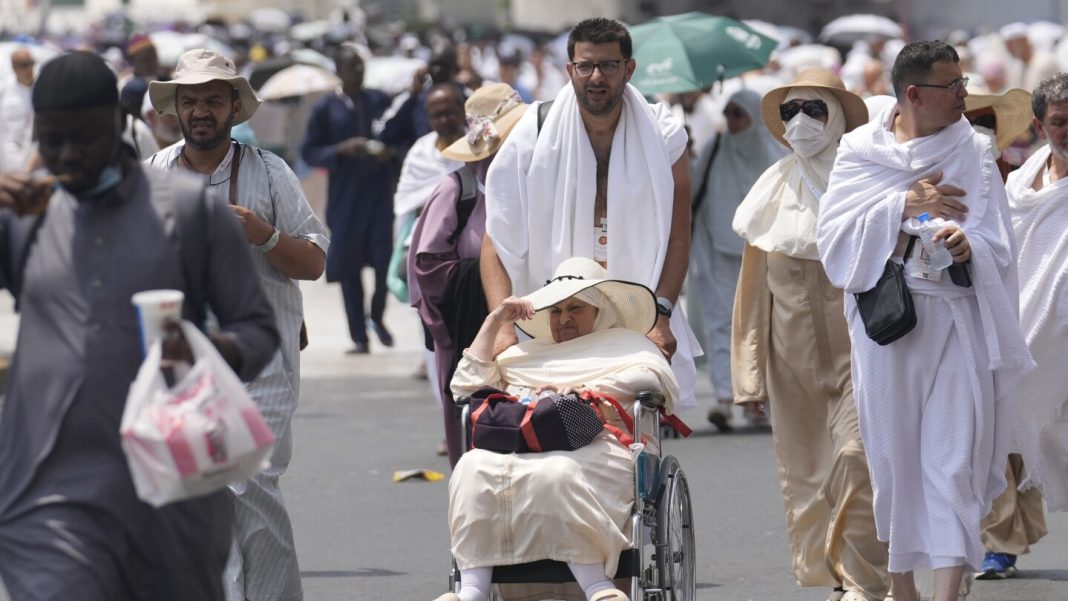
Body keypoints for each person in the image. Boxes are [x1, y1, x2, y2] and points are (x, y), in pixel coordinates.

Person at [0, 51, 279, 601]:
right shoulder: (25, 217)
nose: (65, 155)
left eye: (81, 137)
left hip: (170, 494)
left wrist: (199, 349)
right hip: (45, 497)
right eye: (50, 140)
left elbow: (258, 330)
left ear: (115, 122)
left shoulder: (193, 211)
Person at [817, 40, 1034, 601]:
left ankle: (944, 594)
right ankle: (901, 587)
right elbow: (835, 242)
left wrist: (969, 246)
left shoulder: (975, 149)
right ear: (914, 94)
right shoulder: (860, 151)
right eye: (953, 86)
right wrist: (904, 204)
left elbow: (996, 241)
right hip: (887, 328)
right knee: (895, 460)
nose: (965, 94)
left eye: (964, 82)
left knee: (953, 461)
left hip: (958, 320)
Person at [147, 48, 329, 601]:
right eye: (191, 100)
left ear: (234, 107)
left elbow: (317, 262)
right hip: (184, 362)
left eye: (212, 99)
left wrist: (265, 236)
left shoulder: (269, 173)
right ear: (176, 109)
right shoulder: (154, 175)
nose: (201, 110)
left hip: (264, 361)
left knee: (245, 476)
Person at [481, 17, 699, 409]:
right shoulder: (532, 133)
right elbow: (496, 239)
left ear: (628, 69)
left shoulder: (664, 133)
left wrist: (660, 314)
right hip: (549, 318)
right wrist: (503, 327)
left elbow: (678, 237)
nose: (596, 76)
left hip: (636, 316)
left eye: (609, 65)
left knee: (633, 429)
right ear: (570, 71)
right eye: (586, 66)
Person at [434, 257, 679, 601]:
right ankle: (472, 590)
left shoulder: (629, 346)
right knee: (472, 469)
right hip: (524, 443)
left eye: (575, 308)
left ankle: (597, 586)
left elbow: (651, 379)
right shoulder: (526, 354)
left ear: (600, 311)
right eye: (556, 310)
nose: (564, 318)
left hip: (599, 440)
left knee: (559, 473)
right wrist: (494, 321)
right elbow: (464, 386)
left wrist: (586, 390)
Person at [730, 69, 888, 601]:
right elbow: (751, 296)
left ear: (839, 115)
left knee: (855, 458)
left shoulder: (867, 182)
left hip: (863, 353)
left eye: (814, 110)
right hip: (789, 359)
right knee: (809, 474)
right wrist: (748, 378)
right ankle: (836, 574)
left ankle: (868, 580)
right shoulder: (771, 189)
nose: (801, 122)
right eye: (791, 111)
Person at [409, 83, 527, 467]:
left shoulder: (531, 183)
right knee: (476, 431)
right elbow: (427, 264)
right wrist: (484, 279)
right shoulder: (457, 190)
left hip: (530, 325)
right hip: (472, 330)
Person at [983, 73, 1068, 579]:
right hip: (1025, 331)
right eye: (1059, 121)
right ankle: (1001, 542)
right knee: (1007, 437)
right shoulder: (1019, 184)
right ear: (1039, 124)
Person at [688, 88, 785, 430]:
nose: (731, 121)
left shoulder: (776, 154)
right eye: (727, 113)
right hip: (716, 249)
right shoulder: (715, 149)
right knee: (721, 323)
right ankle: (726, 398)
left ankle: (757, 399)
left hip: (765, 253)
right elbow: (693, 190)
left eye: (738, 113)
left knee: (763, 324)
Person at [302, 42, 401, 354]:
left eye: (361, 67)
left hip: (379, 196)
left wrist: (389, 153)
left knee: (385, 264)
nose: (358, 72)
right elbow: (310, 151)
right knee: (349, 269)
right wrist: (341, 149)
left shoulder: (379, 100)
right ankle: (359, 336)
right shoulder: (325, 108)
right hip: (345, 201)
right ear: (339, 72)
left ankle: (378, 317)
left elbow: (398, 135)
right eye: (352, 67)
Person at [0, 47, 35, 172]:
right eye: (24, 65)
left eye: (31, 63)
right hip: (8, 155)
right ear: (14, 67)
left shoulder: (40, 89)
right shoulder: (4, 90)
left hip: (34, 154)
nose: (29, 69)